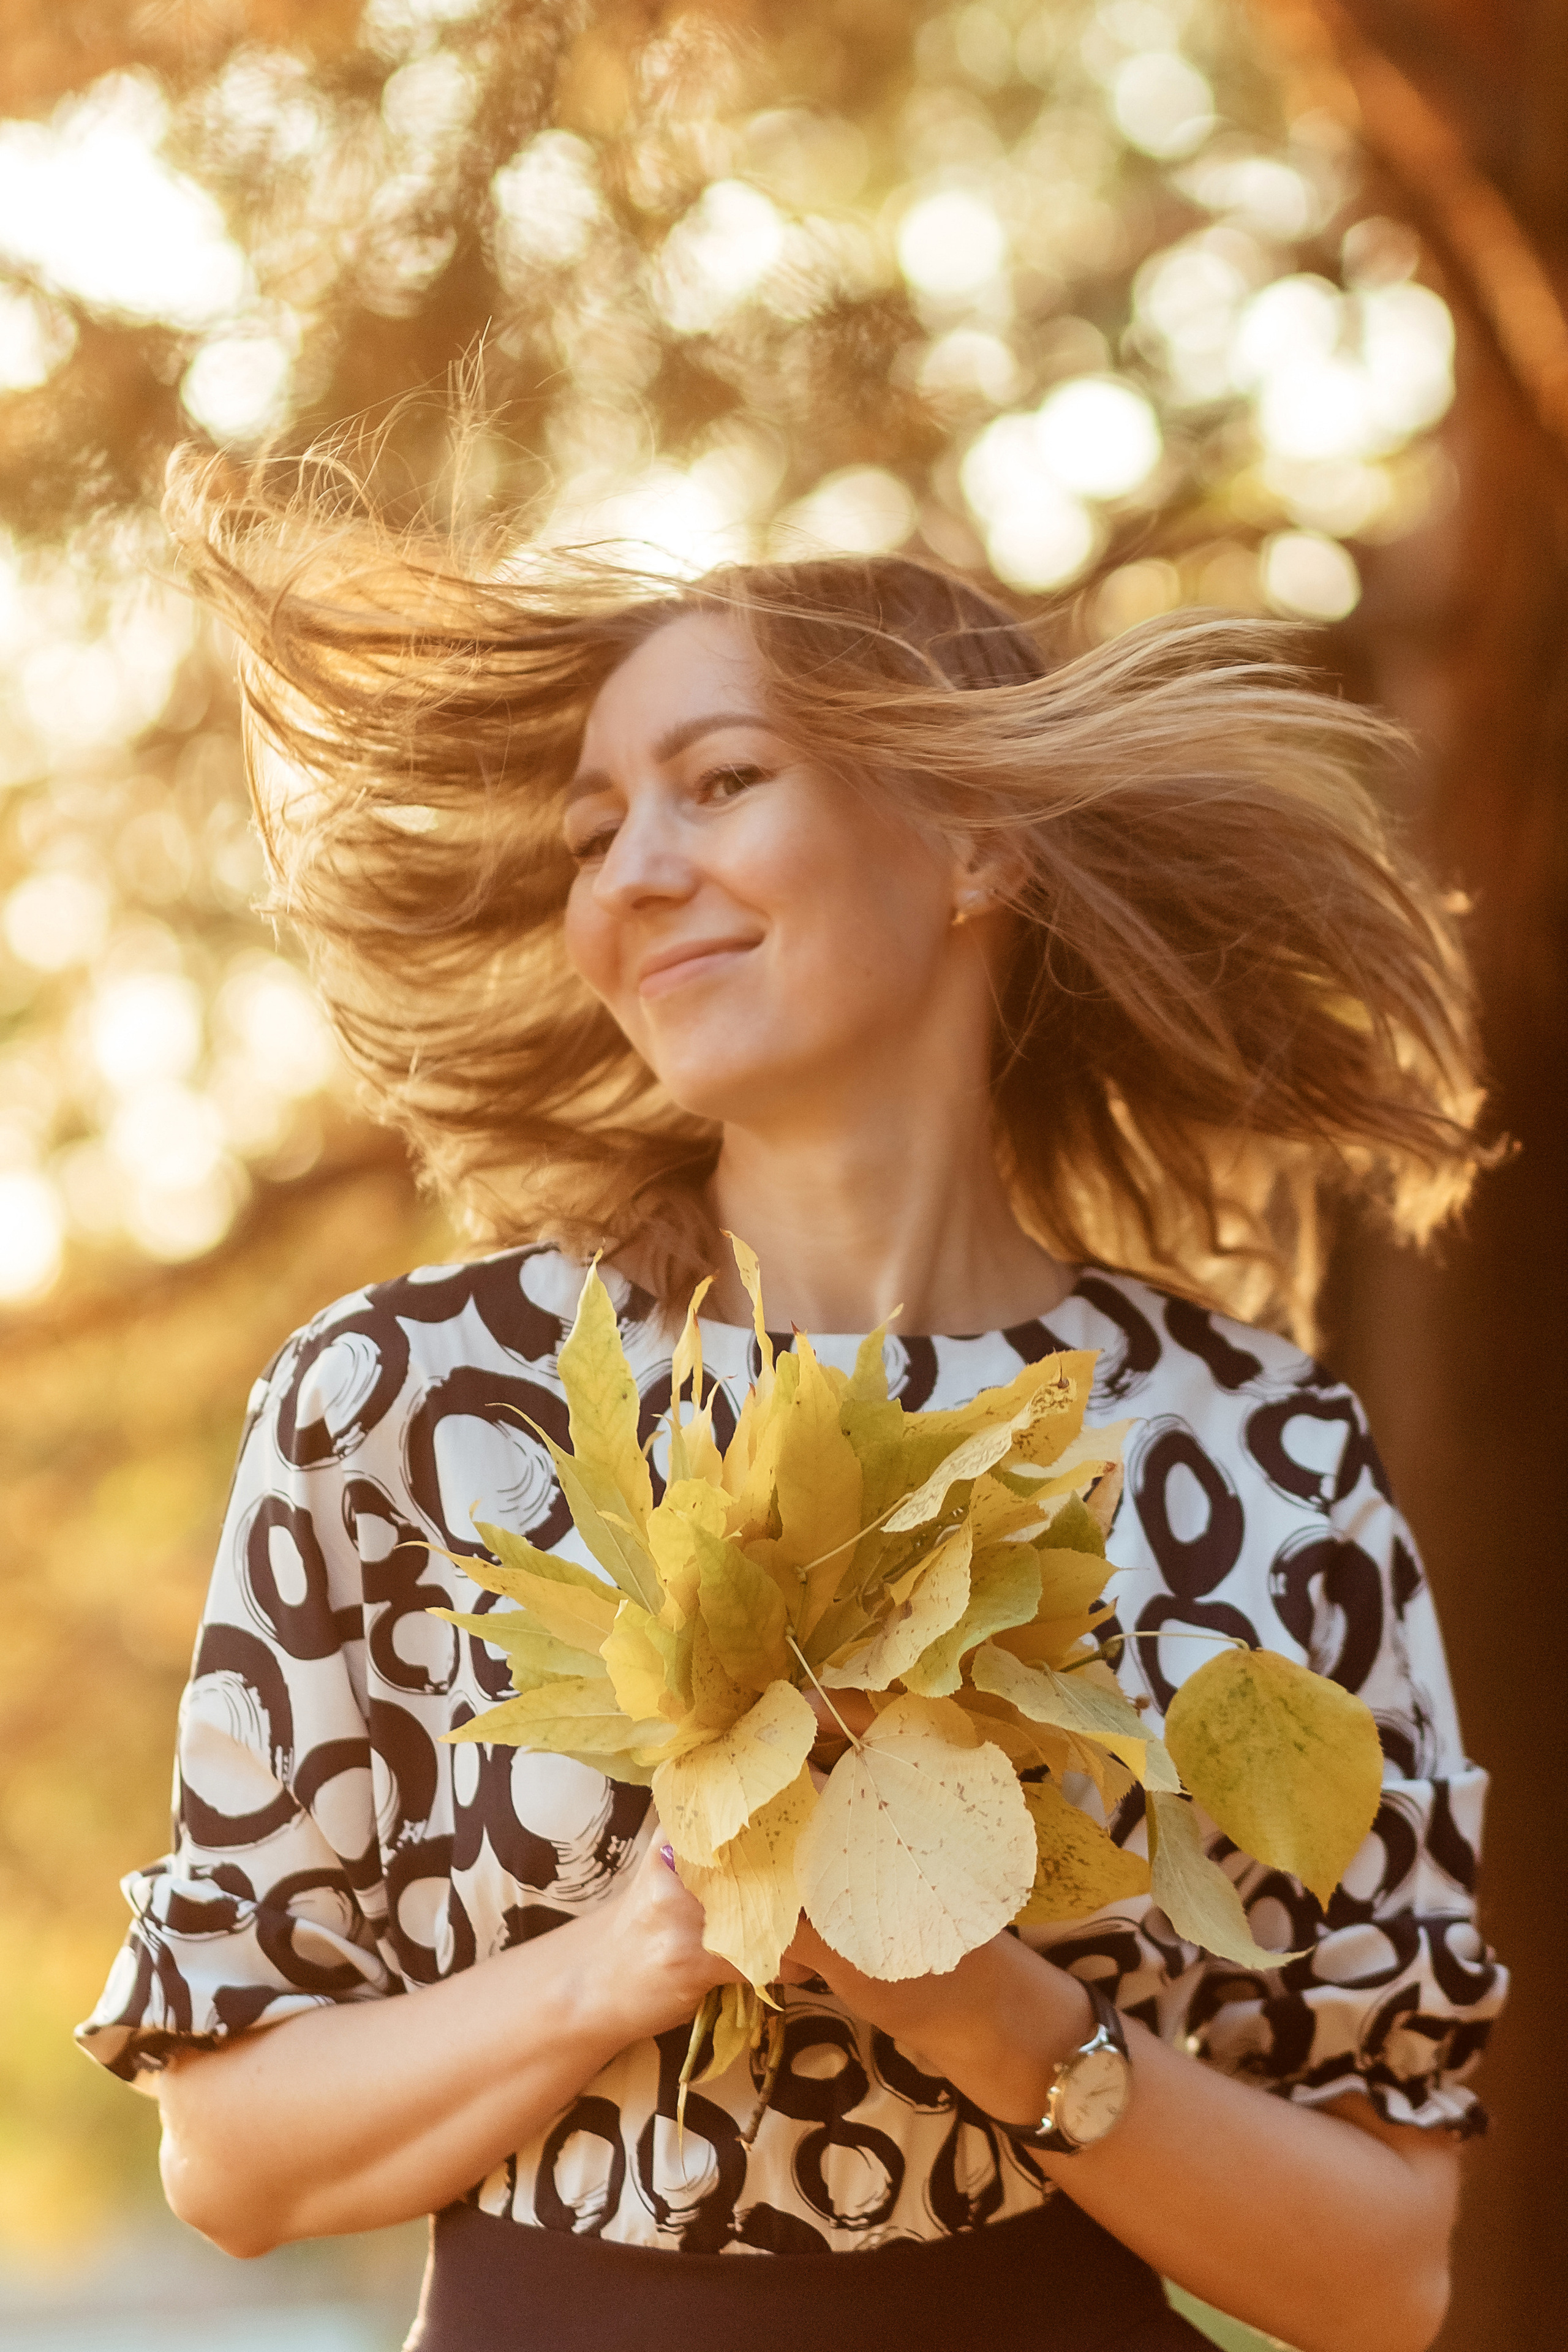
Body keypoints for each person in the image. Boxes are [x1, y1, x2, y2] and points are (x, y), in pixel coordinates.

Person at [78, 464, 1506, 2352]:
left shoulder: (1255, 1453)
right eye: (594, 832)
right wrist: (619, 1967)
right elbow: (235, 2165)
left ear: (975, 844)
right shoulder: (410, 1410)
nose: (635, 873)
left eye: (721, 782)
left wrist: (1001, 2026)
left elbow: (1388, 2273)